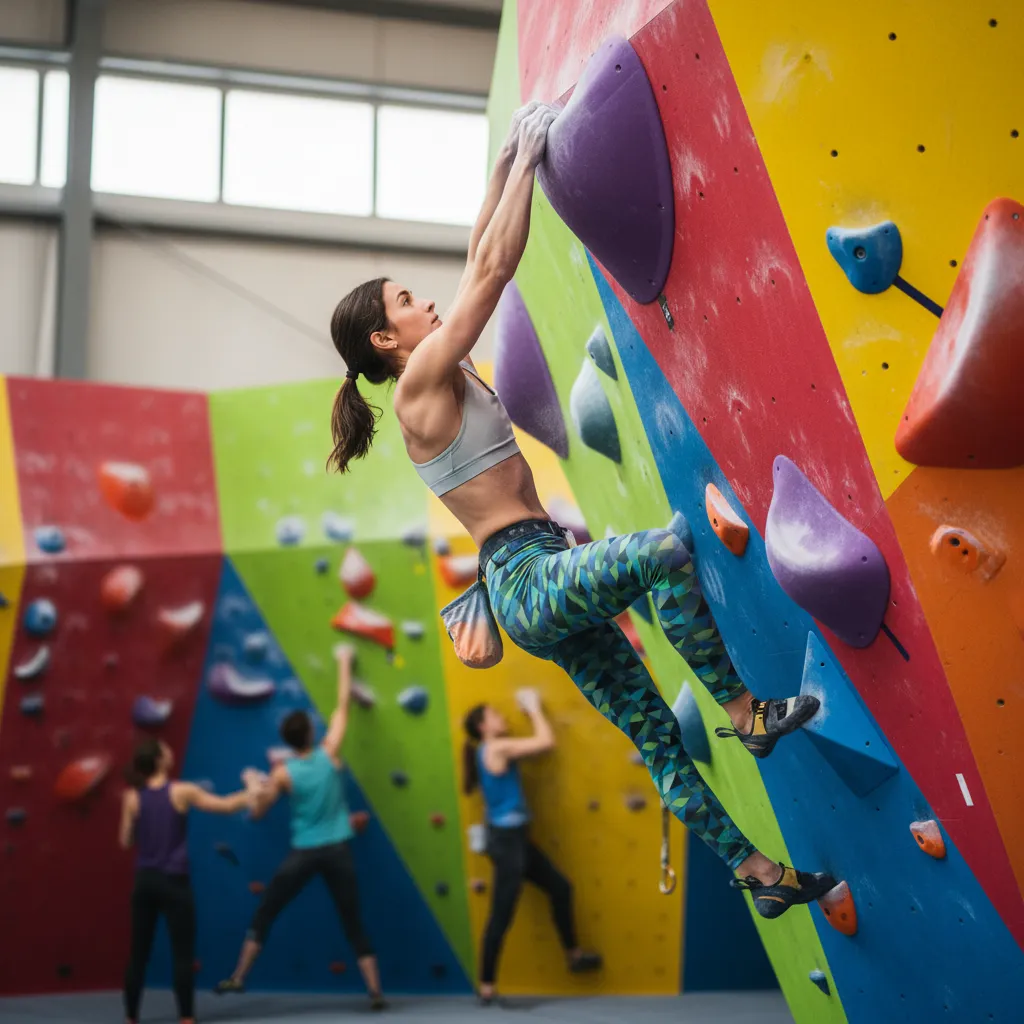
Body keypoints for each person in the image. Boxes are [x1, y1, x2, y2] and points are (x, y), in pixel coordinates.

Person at [324, 101, 837, 919]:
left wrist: (500, 169)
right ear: (388, 342)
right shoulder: (421, 388)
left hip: (533, 579)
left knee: (654, 738)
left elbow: (472, 261)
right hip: (527, 579)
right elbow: (489, 275)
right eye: (407, 301)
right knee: (662, 555)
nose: (426, 304)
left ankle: (760, 877)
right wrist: (528, 162)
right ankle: (745, 713)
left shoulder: (436, 373)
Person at [215, 645, 386, 1011]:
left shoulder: (283, 773)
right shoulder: (329, 755)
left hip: (305, 852)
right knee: (353, 920)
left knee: (267, 911)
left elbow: (257, 813)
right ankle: (375, 993)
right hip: (338, 849)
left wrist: (252, 784)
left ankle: (238, 977)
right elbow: (343, 707)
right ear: (309, 733)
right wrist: (343, 661)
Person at [463, 690, 601, 1004]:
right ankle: (486, 984)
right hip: (508, 842)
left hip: (515, 840)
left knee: (561, 889)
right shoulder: (496, 747)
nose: (502, 717)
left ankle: (574, 955)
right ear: (483, 726)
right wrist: (534, 708)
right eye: (494, 715)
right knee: (502, 912)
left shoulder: (490, 749)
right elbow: (545, 742)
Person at [120, 737, 253, 1024]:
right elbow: (227, 805)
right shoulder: (181, 791)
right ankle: (186, 1019)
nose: (170, 751)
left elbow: (125, 840)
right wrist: (252, 791)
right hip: (174, 884)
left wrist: (141, 827)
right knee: (182, 955)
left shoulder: (132, 796)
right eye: (165, 749)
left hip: (145, 882)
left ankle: (130, 1018)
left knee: (138, 954)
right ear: (159, 759)